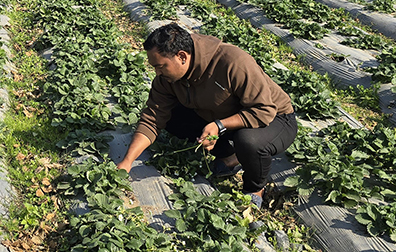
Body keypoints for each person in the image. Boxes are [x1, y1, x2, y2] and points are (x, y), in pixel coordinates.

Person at [116, 22, 297, 208]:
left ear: (182, 57)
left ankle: (255, 189)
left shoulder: (232, 62)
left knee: (248, 141)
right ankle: (232, 156)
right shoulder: (166, 79)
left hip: (275, 119)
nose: (157, 72)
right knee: (172, 118)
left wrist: (219, 125)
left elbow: (264, 110)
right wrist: (127, 162)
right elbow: (153, 118)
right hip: (225, 118)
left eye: (161, 66)